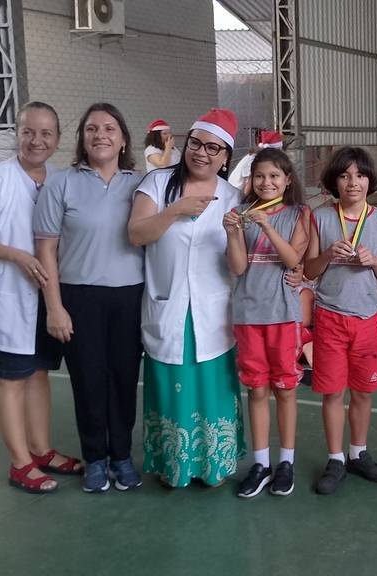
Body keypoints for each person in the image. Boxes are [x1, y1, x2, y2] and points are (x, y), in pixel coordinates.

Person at [0, 101, 80, 494]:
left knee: (40, 373)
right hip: (9, 298)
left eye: (46, 133)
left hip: (47, 296)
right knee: (12, 379)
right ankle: (20, 463)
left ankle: (42, 451)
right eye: (28, 132)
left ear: (57, 138)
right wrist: (16, 255)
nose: (36, 141)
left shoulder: (60, 179)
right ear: (17, 135)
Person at [127, 108, 245, 488]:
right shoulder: (157, 183)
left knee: (212, 389)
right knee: (172, 387)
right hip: (168, 306)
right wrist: (175, 210)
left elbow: (240, 261)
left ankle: (215, 466)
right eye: (196, 143)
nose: (201, 153)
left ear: (225, 157)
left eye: (213, 148)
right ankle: (173, 465)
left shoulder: (233, 197)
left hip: (213, 313)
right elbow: (136, 234)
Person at [34, 102, 145, 493]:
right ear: (82, 138)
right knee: (89, 380)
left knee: (124, 379)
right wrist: (54, 306)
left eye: (110, 128)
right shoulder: (61, 184)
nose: (101, 135)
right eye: (92, 129)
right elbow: (46, 250)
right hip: (79, 298)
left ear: (123, 139)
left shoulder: (140, 185)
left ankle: (122, 456)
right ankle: (95, 459)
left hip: (130, 297)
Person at [304, 147, 377, 495]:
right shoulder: (320, 217)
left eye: (359, 175)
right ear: (334, 181)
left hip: (367, 318)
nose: (352, 182)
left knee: (363, 391)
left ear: (370, 180)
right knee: (332, 392)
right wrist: (328, 254)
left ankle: (358, 452)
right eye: (344, 175)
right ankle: (335, 458)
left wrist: (374, 262)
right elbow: (309, 270)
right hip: (330, 316)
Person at [223, 148, 310, 498]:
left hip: (283, 315)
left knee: (285, 389)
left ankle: (286, 461)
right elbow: (238, 267)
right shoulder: (241, 213)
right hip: (248, 315)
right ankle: (261, 463)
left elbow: (292, 259)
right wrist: (232, 233)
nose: (266, 182)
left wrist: (268, 227)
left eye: (274, 176)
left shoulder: (298, 213)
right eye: (259, 176)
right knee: (257, 390)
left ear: (287, 180)